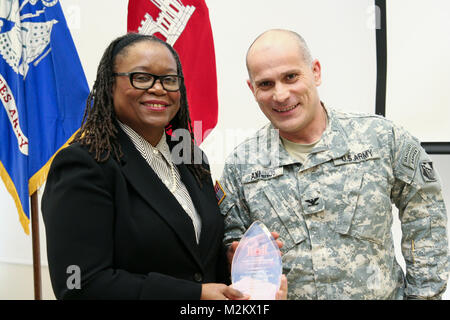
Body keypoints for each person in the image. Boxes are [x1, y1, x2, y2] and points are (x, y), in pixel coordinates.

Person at [218, 29, 449, 299]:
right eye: (266, 84)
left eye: (291, 77)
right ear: (252, 89)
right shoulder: (241, 165)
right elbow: (230, 243)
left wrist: (424, 296)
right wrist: (236, 255)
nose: (280, 95)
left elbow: (426, 218)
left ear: (315, 72)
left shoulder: (381, 138)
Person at [42, 33, 272, 300]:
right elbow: (80, 285)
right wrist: (193, 295)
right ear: (109, 85)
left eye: (169, 80)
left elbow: (192, 258)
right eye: (141, 77)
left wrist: (231, 260)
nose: (158, 88)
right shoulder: (84, 165)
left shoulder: (191, 158)